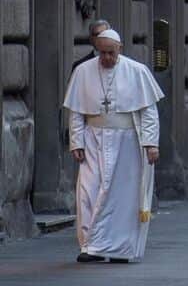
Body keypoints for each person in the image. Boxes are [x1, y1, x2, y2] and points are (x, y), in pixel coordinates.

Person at [62, 29, 164, 263]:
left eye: (110, 53)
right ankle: (90, 247)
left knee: (123, 197)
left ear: (120, 48)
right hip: (93, 139)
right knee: (88, 192)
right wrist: (76, 141)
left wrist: (151, 143)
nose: (106, 58)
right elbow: (76, 111)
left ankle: (120, 249)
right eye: (102, 53)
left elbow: (148, 112)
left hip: (126, 142)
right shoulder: (83, 71)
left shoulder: (137, 71)